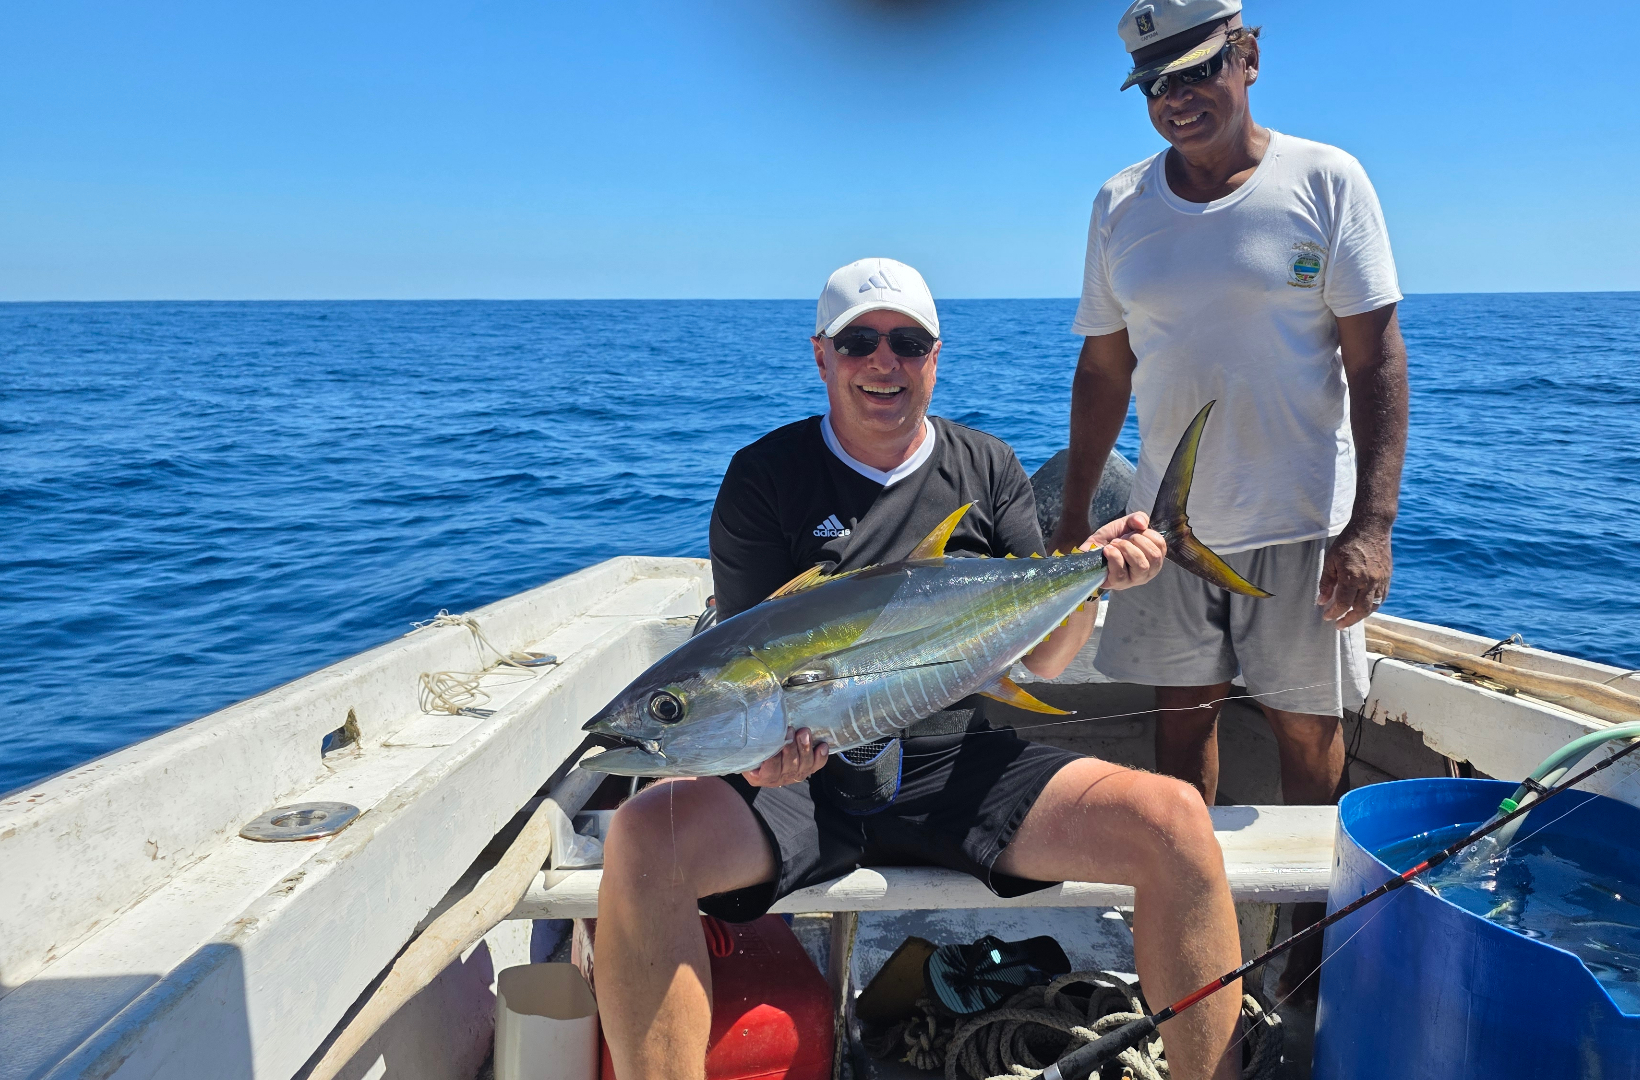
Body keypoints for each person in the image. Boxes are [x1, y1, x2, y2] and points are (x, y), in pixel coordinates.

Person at [596, 258, 1249, 1080]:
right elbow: (742, 663)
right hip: (801, 779)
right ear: (822, 355)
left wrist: (1089, 578)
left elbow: (1042, 661)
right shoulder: (766, 478)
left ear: (934, 357)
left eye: (907, 342)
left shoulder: (986, 468)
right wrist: (762, 765)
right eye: (859, 341)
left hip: (955, 760)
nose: (884, 361)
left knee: (1176, 823)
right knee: (642, 836)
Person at [1048, 0, 1409, 989]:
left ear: (1248, 55)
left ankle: (1305, 952)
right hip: (1168, 527)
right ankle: (1190, 927)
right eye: (1156, 85)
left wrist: (1370, 526)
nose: (1178, 98)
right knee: (1181, 722)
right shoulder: (1120, 203)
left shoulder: (1327, 181)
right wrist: (1075, 514)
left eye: (1198, 71)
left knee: (1308, 732)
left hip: (1303, 520)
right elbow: (1104, 370)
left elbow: (1376, 358)